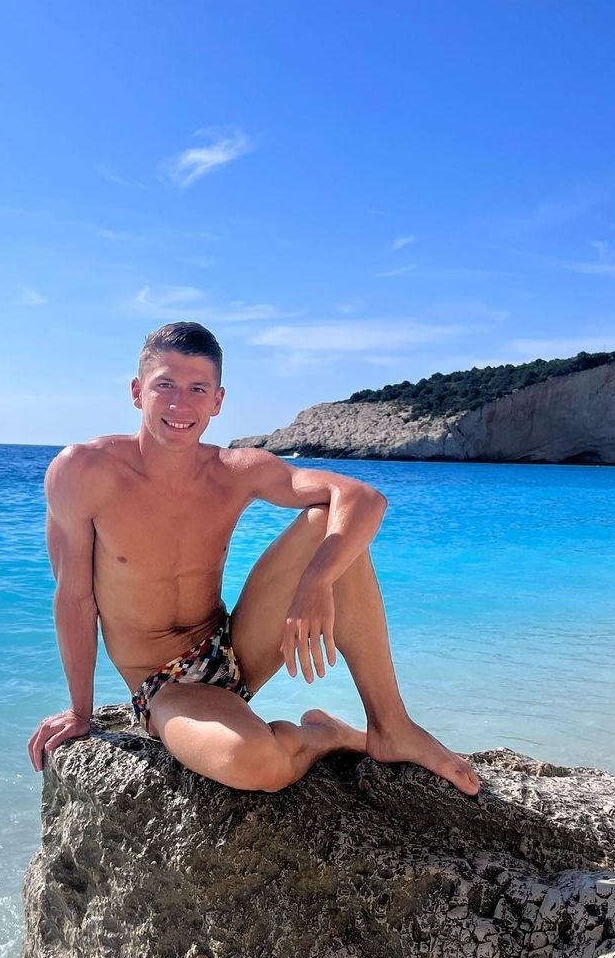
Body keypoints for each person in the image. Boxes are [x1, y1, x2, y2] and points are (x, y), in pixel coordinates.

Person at [27, 322, 480, 798]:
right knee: (260, 766)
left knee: (328, 523)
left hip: (236, 646)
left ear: (217, 401)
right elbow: (74, 598)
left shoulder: (235, 469)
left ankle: (391, 725)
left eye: (197, 389)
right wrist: (80, 712)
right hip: (165, 685)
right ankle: (327, 735)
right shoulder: (83, 471)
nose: (180, 404)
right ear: (138, 392)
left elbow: (364, 498)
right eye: (165, 385)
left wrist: (315, 584)